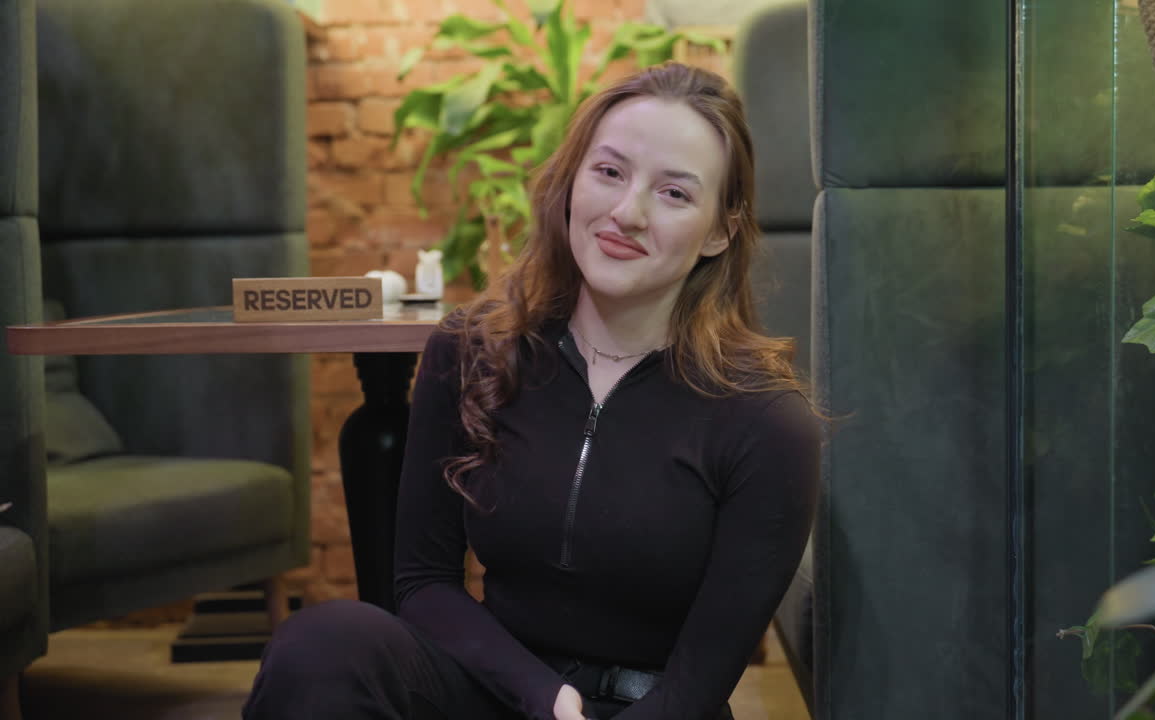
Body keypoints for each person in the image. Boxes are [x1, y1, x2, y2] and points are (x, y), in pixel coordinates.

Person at [242, 61, 820, 720]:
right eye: (609, 172)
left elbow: (702, 681)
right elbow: (424, 585)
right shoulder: (469, 352)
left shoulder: (766, 422)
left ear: (721, 229)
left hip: (658, 712)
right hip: (502, 690)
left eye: (674, 194)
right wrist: (544, 696)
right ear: (572, 180)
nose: (626, 213)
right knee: (323, 644)